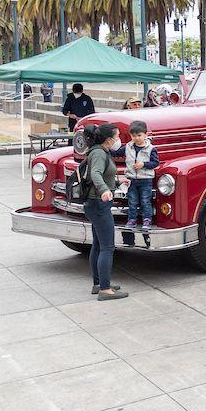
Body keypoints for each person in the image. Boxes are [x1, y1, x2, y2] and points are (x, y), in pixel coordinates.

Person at [80, 124, 128, 301]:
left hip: (95, 203)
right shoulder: (100, 153)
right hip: (99, 203)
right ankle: (105, 290)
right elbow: (96, 174)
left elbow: (102, 175)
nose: (118, 140)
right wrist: (104, 191)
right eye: (117, 136)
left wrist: (116, 184)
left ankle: (99, 283)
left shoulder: (98, 151)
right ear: (109, 140)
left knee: (98, 245)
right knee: (108, 246)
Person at [122, 120, 159, 231]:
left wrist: (143, 164)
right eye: (134, 136)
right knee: (132, 201)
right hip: (132, 179)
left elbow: (155, 163)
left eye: (139, 135)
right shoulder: (128, 147)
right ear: (130, 136)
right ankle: (132, 219)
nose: (137, 138)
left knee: (145, 201)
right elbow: (117, 152)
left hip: (146, 180)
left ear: (145, 135)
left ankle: (147, 220)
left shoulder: (151, 148)